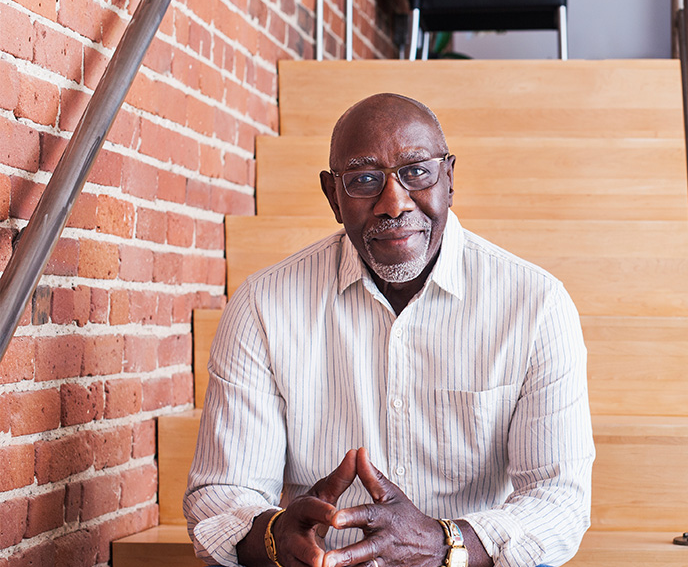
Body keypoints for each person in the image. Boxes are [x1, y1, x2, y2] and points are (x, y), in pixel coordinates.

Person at [184, 93, 594, 567]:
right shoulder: (262, 306)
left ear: (450, 179)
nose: (394, 203)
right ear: (333, 197)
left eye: (416, 171)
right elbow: (221, 494)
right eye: (363, 180)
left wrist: (444, 544)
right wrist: (274, 537)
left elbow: (558, 500)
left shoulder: (537, 305)